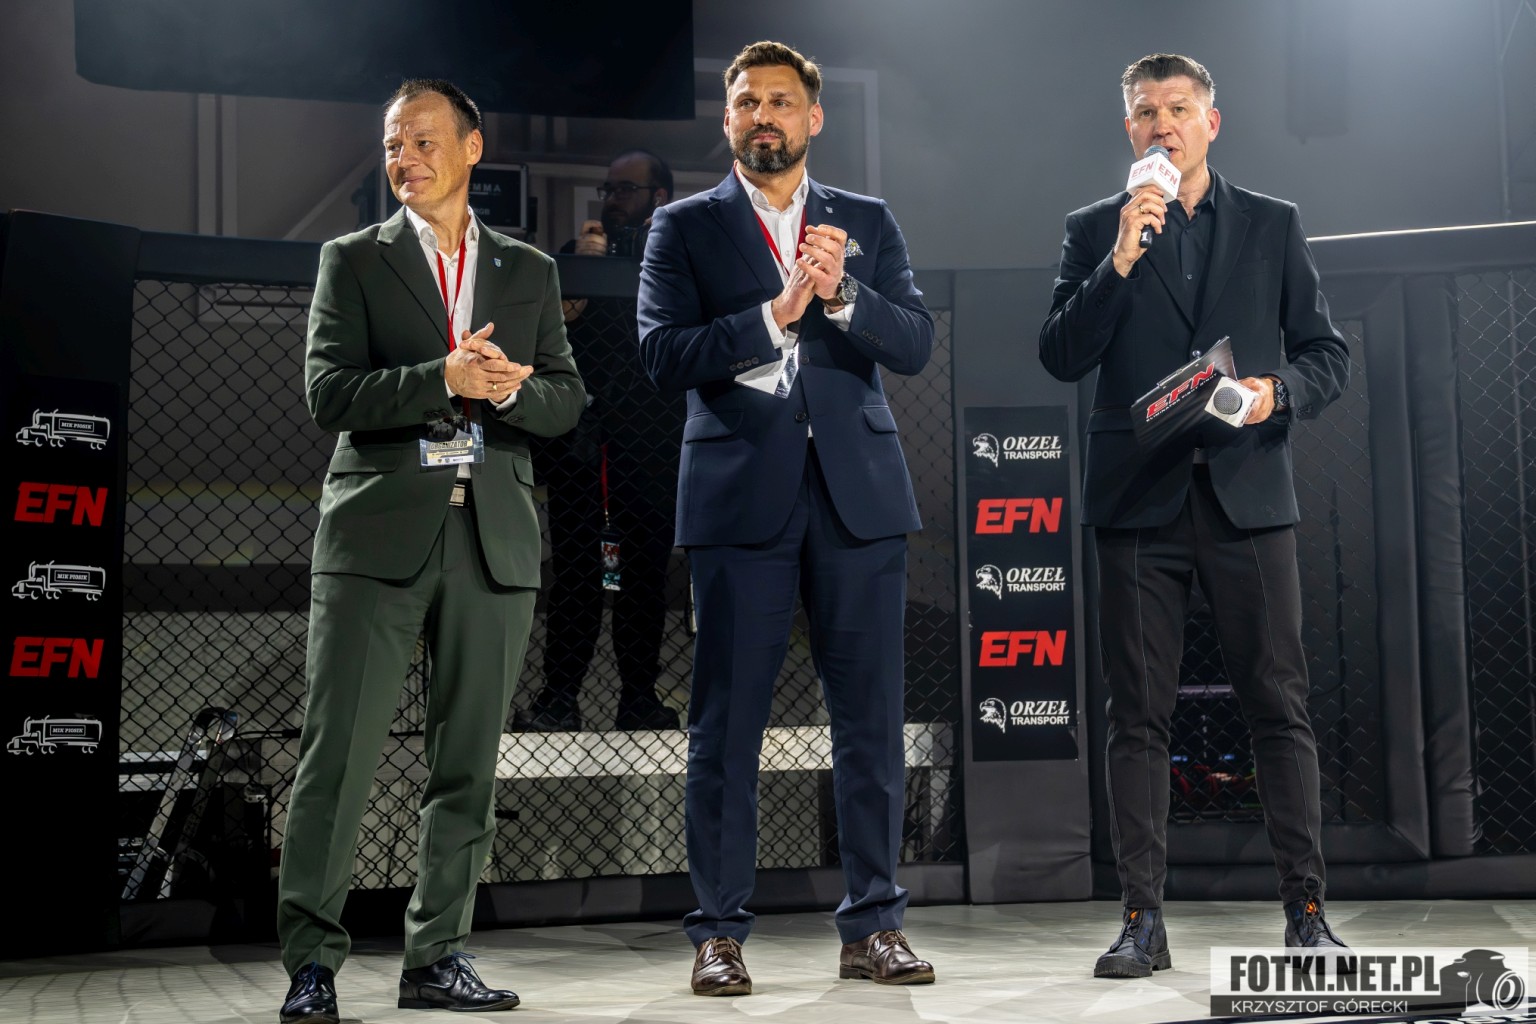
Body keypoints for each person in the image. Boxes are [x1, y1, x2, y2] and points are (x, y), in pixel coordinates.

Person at [276, 79, 584, 1022]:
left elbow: (564, 400)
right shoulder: (352, 260)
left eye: (421, 140)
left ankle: (436, 957)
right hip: (377, 535)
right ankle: (312, 964)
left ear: (471, 148)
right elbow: (329, 394)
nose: (403, 157)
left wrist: (507, 390)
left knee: (468, 767)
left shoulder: (528, 269)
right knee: (338, 757)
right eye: (391, 144)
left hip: (492, 539)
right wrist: (440, 378)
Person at [1038, 53, 1352, 978]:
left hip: (1246, 495)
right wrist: (1120, 259)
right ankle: (1142, 920)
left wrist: (1273, 393)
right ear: (1128, 129)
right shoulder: (1095, 229)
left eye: (1179, 108)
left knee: (1278, 708)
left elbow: (1327, 354)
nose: (1163, 123)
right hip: (1139, 501)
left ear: (1212, 121)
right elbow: (1061, 354)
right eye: (1147, 111)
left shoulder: (1272, 222)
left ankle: (1306, 914)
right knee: (1137, 716)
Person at [637, 40, 937, 995]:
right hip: (739, 501)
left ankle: (874, 925)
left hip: (858, 499)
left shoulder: (868, 221)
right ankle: (718, 933)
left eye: (779, 101)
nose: (762, 115)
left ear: (814, 118)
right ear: (728, 120)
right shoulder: (682, 226)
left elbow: (916, 342)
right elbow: (660, 354)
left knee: (870, 723)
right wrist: (773, 317)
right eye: (746, 102)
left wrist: (844, 296)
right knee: (726, 726)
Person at [516, 149, 684, 732]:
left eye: (625, 190)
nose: (612, 200)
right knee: (576, 574)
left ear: (658, 197)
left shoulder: (677, 256)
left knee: (645, 576)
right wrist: (578, 278)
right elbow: (544, 337)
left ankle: (638, 698)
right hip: (583, 446)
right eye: (608, 190)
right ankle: (559, 699)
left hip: (655, 444)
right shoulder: (574, 254)